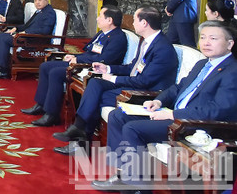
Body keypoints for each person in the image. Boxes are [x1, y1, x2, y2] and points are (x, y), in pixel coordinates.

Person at [93, 20, 237, 191]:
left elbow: (218, 110)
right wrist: (158, 101)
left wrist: (172, 115)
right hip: (174, 114)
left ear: (229, 44)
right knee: (117, 116)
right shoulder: (202, 64)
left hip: (193, 124)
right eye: (203, 37)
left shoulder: (232, 71)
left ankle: (138, 186)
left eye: (213, 38)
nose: (206, 42)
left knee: (133, 129)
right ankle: (122, 174)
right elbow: (178, 87)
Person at [52, 7, 177, 155]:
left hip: (145, 93)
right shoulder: (147, 42)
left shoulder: (162, 48)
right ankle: (79, 129)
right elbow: (132, 67)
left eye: (135, 20)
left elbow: (144, 81)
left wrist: (113, 78)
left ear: (144, 23)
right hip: (134, 83)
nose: (132, 23)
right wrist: (108, 68)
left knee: (97, 97)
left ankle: (80, 138)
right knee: (95, 82)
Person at [21, 6, 128, 127]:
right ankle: (41, 104)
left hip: (92, 68)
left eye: (100, 16)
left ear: (109, 20)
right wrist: (74, 56)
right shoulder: (102, 34)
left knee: (55, 73)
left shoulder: (118, 38)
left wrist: (78, 59)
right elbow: (89, 51)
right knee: (45, 66)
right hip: (82, 62)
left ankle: (52, 114)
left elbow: (104, 59)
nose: (97, 19)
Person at [0, 0, 57, 79]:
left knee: (4, 38)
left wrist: (26, 32)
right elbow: (27, 25)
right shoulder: (39, 11)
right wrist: (16, 28)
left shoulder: (49, 12)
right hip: (28, 37)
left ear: (46, 0)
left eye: (40, 0)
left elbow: (45, 30)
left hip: (35, 40)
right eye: (35, 0)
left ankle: (3, 70)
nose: (37, 2)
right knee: (0, 35)